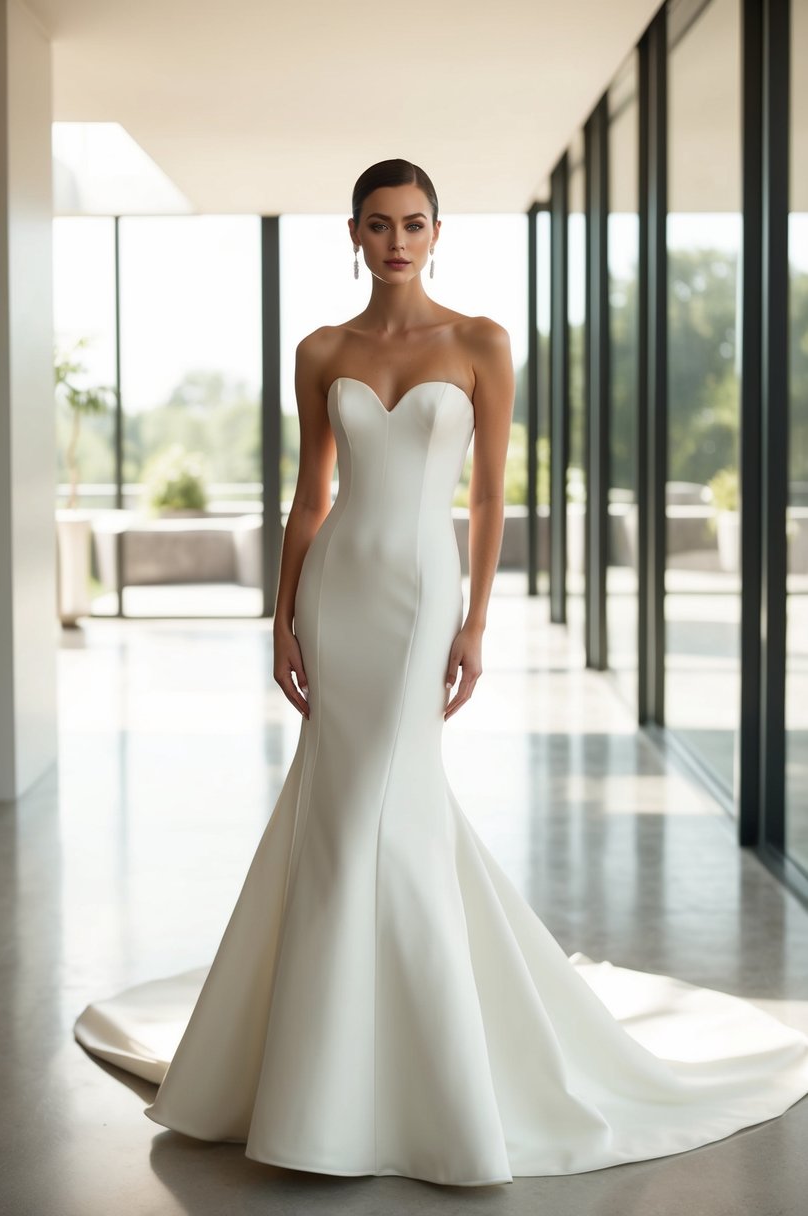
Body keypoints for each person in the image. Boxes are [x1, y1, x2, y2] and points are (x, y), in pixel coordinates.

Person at [74, 158, 808, 1187]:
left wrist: (474, 621)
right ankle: (326, 1074)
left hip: (421, 602)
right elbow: (308, 497)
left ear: (436, 231)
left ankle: (403, 1075)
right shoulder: (321, 350)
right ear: (354, 234)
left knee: (389, 805)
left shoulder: (480, 343)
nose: (397, 242)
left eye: (414, 224)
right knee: (337, 809)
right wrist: (279, 616)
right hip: (337, 594)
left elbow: (491, 497)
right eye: (378, 226)